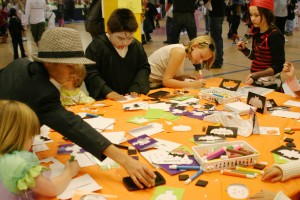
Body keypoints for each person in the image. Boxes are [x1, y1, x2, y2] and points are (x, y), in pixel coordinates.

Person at [0, 27, 156, 189]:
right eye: (69, 66)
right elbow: (74, 126)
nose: (75, 71)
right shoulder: (43, 91)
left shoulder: (20, 64)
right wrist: (125, 160)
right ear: (48, 62)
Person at [0, 100, 80, 199]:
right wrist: (69, 172)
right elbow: (52, 189)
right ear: (18, 136)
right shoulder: (19, 163)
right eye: (31, 135)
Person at [84, 8, 151, 101]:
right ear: (109, 31)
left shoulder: (136, 45)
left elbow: (144, 67)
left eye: (130, 38)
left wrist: (136, 87)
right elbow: (90, 72)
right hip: (106, 99)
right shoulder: (97, 46)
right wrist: (106, 91)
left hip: (131, 98)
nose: (125, 43)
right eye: (120, 38)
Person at [236, 0, 285, 92]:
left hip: (271, 86)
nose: (252, 19)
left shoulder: (275, 35)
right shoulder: (257, 32)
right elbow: (255, 57)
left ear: (267, 14)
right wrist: (244, 50)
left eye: (256, 15)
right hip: (256, 81)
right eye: (251, 15)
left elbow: (278, 66)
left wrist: (256, 75)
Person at [148, 35, 215, 89]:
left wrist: (183, 76)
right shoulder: (179, 52)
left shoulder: (181, 51)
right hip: (148, 83)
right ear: (194, 46)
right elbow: (166, 81)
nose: (200, 61)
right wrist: (192, 84)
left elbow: (170, 76)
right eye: (201, 56)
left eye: (204, 60)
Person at [205, 0, 225, 69]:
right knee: (216, 38)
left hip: (216, 14)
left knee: (216, 39)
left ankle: (218, 61)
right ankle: (218, 60)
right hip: (216, 14)